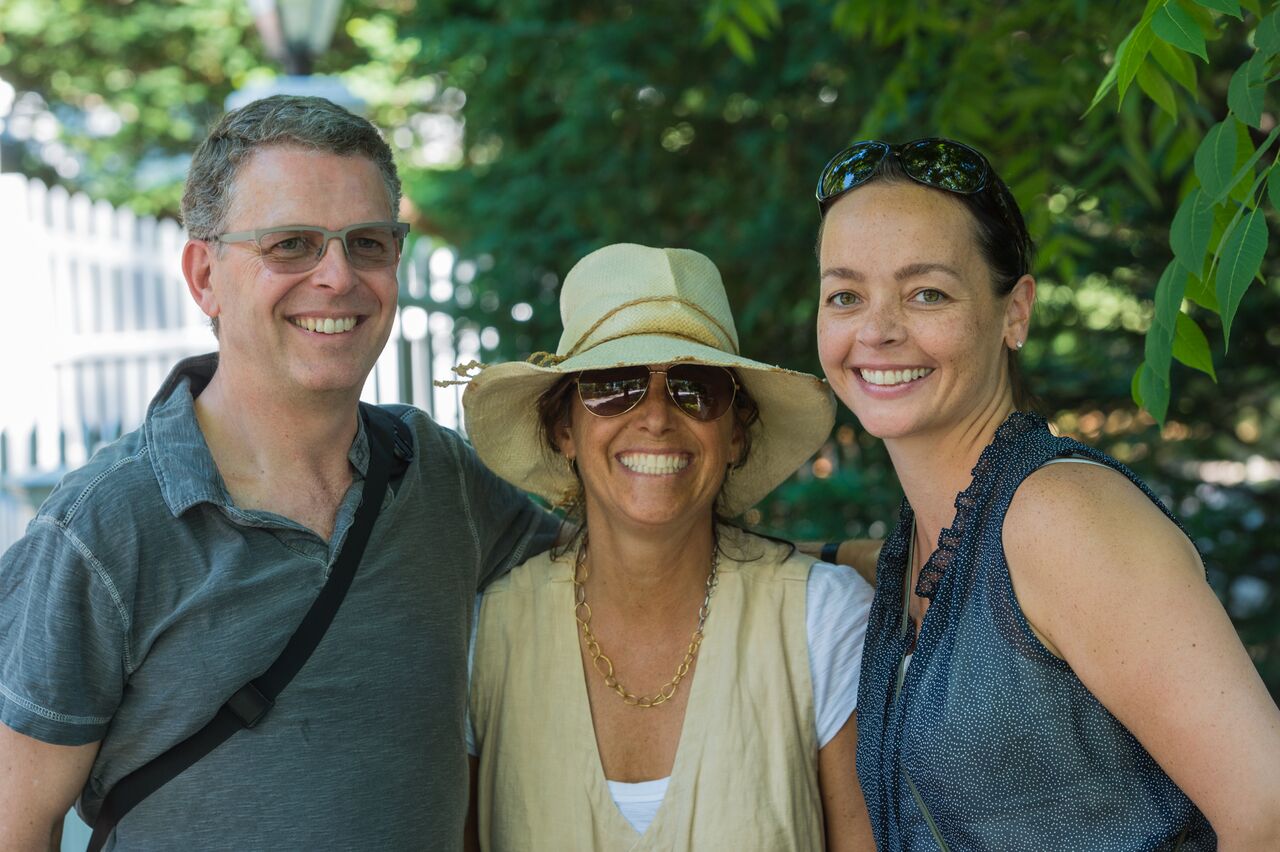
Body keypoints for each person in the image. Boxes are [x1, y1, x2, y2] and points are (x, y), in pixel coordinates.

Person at [0, 95, 558, 850]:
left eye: (368, 243)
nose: (338, 277)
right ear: (204, 275)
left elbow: (609, 581)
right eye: (291, 244)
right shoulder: (102, 527)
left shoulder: (438, 477)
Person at [814, 137, 1280, 849]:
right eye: (845, 295)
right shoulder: (929, 545)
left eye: (927, 293)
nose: (877, 330)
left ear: (1015, 312)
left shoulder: (1061, 514)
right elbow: (941, 580)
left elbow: (1268, 812)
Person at [459, 243, 877, 851]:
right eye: (613, 385)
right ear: (564, 429)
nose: (655, 417)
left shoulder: (822, 623)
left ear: (734, 434)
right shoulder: (485, 637)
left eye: (696, 388)